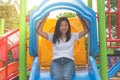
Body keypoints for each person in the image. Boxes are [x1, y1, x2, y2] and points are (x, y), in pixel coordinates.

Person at [36, 13, 89, 80]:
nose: (64, 27)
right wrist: (46, 17)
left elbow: (86, 30)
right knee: (58, 77)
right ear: (58, 27)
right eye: (61, 25)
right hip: (56, 61)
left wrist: (80, 17)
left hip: (69, 61)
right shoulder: (53, 36)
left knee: (66, 77)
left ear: (68, 26)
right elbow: (39, 31)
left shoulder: (73, 36)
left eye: (66, 25)